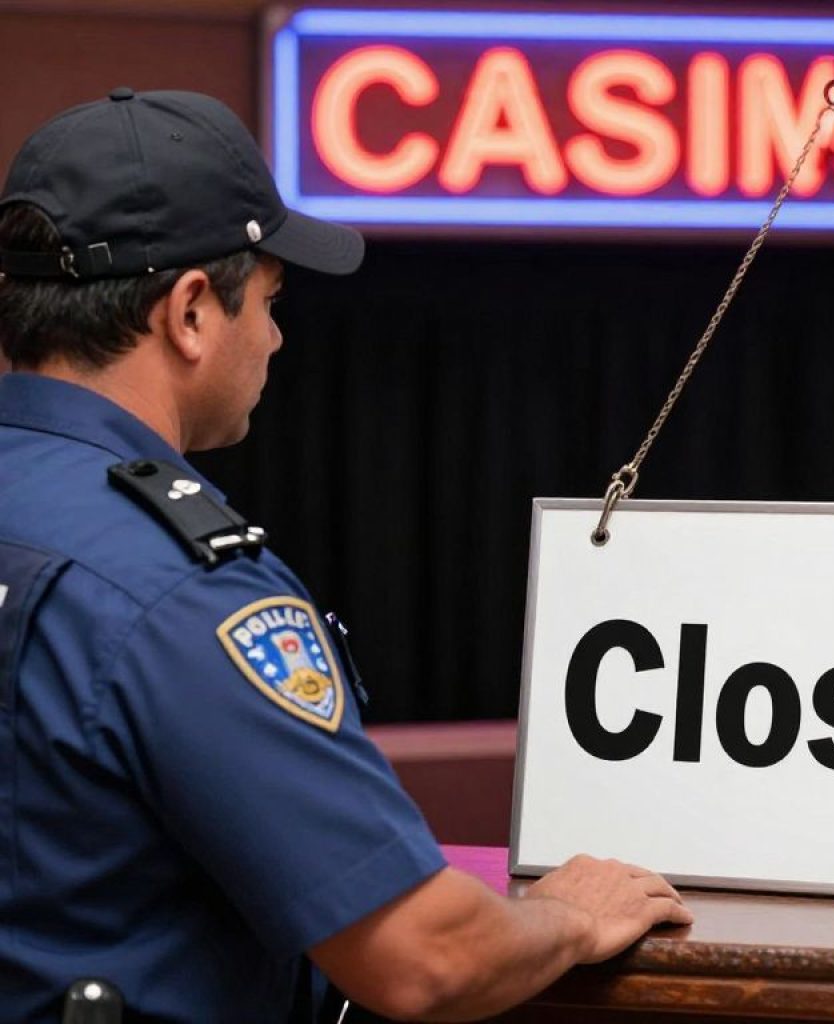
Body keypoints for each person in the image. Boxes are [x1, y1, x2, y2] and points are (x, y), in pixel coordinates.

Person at [0, 88, 692, 1024]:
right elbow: (425, 956)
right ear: (192, 312)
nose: (277, 338)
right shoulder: (173, 588)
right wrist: (568, 915)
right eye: (273, 303)